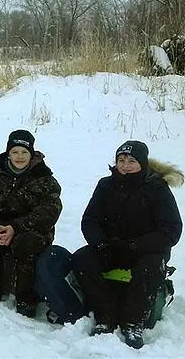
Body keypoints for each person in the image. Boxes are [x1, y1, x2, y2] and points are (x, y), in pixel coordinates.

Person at [72, 140, 182, 349]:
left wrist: (134, 245)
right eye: (121, 160)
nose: (125, 165)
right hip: (111, 247)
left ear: (143, 164)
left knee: (151, 267)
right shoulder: (105, 185)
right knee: (82, 259)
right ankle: (106, 316)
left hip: (144, 250)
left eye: (132, 161)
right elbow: (90, 220)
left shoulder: (157, 188)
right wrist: (102, 244)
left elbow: (171, 230)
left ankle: (133, 323)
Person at [0, 130, 62, 318]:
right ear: (8, 154)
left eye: (24, 152)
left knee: (27, 244)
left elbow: (49, 212)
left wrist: (16, 228)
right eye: (15, 152)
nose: (19, 156)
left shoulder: (44, 178)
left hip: (29, 231)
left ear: (31, 154)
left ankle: (27, 297)